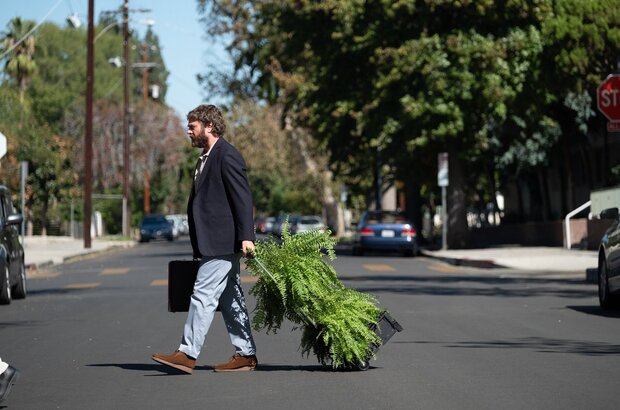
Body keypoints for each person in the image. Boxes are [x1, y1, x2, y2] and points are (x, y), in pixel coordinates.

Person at [152, 104, 257, 373]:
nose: (188, 130)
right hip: (214, 240)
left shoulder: (226, 155)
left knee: (202, 295)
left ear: (209, 126)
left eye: (192, 125)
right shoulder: (207, 156)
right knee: (229, 297)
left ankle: (187, 353)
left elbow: (242, 198)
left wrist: (247, 236)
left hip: (223, 241)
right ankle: (245, 354)